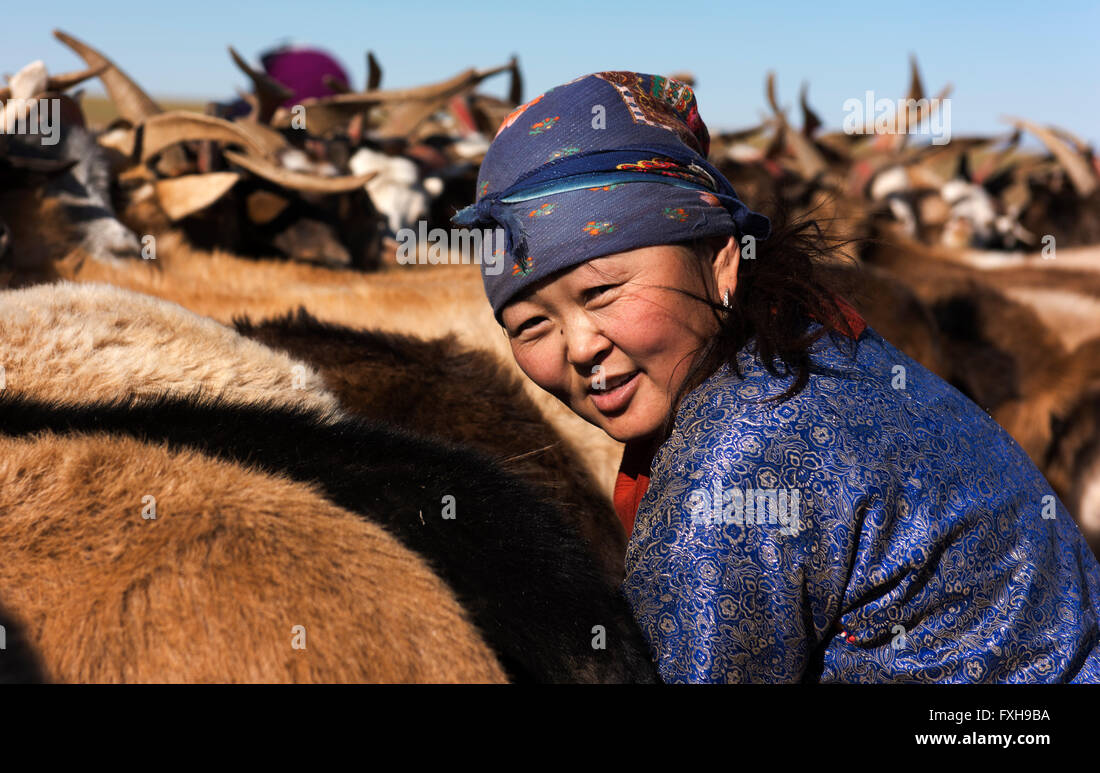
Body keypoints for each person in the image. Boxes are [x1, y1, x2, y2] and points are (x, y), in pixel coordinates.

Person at [451, 71, 1100, 682]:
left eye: (602, 292)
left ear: (720, 260)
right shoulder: (813, 343)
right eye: (532, 325)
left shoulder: (740, 452)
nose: (581, 345)